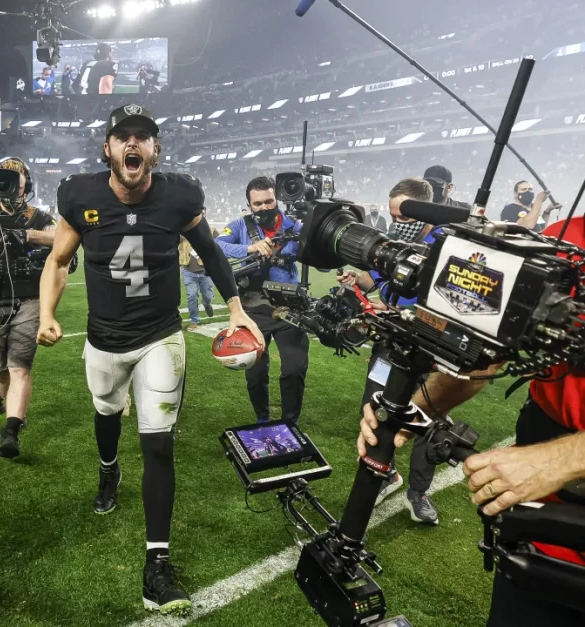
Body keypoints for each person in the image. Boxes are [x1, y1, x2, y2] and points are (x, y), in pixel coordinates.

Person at [37, 104, 263, 615]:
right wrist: (48, 311)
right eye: (123, 136)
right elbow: (57, 259)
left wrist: (236, 309)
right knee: (105, 415)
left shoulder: (180, 195)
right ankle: (108, 469)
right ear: (109, 149)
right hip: (102, 340)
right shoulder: (81, 194)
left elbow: (210, 251)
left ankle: (156, 565)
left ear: (155, 149)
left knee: (159, 444)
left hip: (161, 337)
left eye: (143, 136)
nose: (132, 144)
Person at [358, 215, 585, 626]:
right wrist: (415, 411)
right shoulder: (561, 242)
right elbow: (482, 354)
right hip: (540, 527)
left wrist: (561, 460)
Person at [337, 177, 441, 525]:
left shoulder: (444, 247)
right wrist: (359, 279)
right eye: (395, 217)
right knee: (375, 404)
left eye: (406, 219)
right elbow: (380, 283)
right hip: (389, 342)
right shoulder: (391, 244)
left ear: (426, 212)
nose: (399, 225)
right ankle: (387, 474)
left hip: (428, 347)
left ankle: (419, 492)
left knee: (426, 417)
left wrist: (397, 311)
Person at [215, 177, 310, 424]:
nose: (264, 207)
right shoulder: (239, 226)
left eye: (269, 201)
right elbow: (217, 245)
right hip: (252, 310)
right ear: (249, 204)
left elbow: (316, 253)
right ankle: (263, 418)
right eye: (258, 203)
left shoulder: (295, 226)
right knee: (255, 374)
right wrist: (250, 248)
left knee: (294, 368)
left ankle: (291, 422)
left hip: (288, 307)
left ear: (277, 198)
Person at [0, 157, 57, 459]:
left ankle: (10, 430)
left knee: (18, 367)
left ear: (28, 181)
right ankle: (15, 414)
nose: (13, 179)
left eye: (18, 174)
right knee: (0, 371)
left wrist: (28, 235)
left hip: (30, 298)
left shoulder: (37, 216)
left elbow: (61, 238)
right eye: (6, 174)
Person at [179, 213, 217, 330]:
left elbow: (222, 241)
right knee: (192, 296)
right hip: (189, 271)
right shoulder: (181, 230)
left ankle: (207, 304)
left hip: (205, 271)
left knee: (208, 296)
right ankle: (194, 320)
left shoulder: (211, 230)